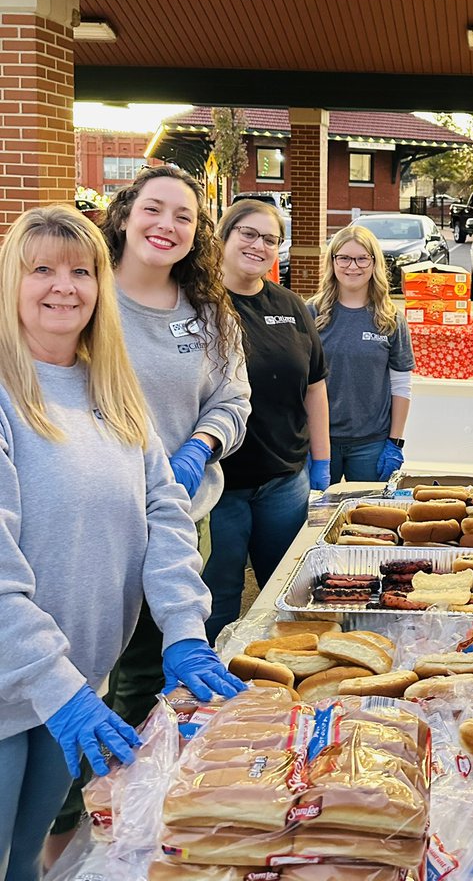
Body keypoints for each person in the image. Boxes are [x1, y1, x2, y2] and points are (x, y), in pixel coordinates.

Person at [0, 206, 243, 881]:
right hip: (19, 689)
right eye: (42, 270)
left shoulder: (110, 390)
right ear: (10, 281)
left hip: (77, 682)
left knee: (27, 861)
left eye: (82, 272)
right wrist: (58, 686)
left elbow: (164, 516)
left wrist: (184, 628)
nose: (64, 286)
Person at [204, 200, 330, 644]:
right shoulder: (197, 303)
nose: (259, 245)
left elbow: (315, 386)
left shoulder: (290, 305)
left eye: (271, 239)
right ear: (224, 237)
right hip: (217, 486)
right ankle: (210, 679)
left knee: (288, 594)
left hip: (284, 482)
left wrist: (322, 463)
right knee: (217, 598)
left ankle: (280, 672)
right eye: (249, 234)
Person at [309, 225, 415, 484]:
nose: (352, 266)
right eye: (344, 258)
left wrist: (395, 443)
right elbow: (299, 382)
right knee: (316, 509)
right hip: (320, 442)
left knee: (369, 509)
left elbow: (401, 385)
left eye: (362, 258)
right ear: (332, 261)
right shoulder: (311, 313)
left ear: (374, 262)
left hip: (372, 444)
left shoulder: (390, 319)